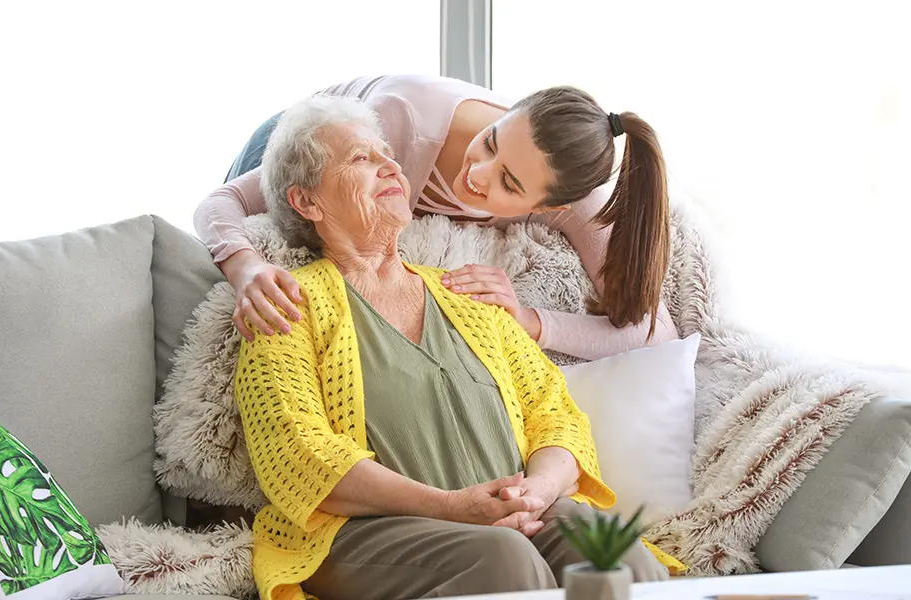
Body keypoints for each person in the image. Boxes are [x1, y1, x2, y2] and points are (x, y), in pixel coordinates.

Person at [234, 95, 684, 600]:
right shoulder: (284, 307)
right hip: (367, 531)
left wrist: (536, 491)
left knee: (617, 555)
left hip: (517, 510)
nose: (389, 164)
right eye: (361, 158)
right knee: (503, 559)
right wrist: (450, 507)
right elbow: (300, 459)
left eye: (386, 152)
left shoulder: (467, 293)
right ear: (307, 202)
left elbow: (554, 415)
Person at [196, 74, 678, 362]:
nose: (478, 174)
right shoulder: (398, 127)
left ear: (550, 208)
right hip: (301, 141)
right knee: (218, 286)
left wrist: (528, 321)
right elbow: (218, 204)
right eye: (491, 141)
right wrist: (246, 268)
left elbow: (653, 332)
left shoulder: (575, 200)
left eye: (509, 183)